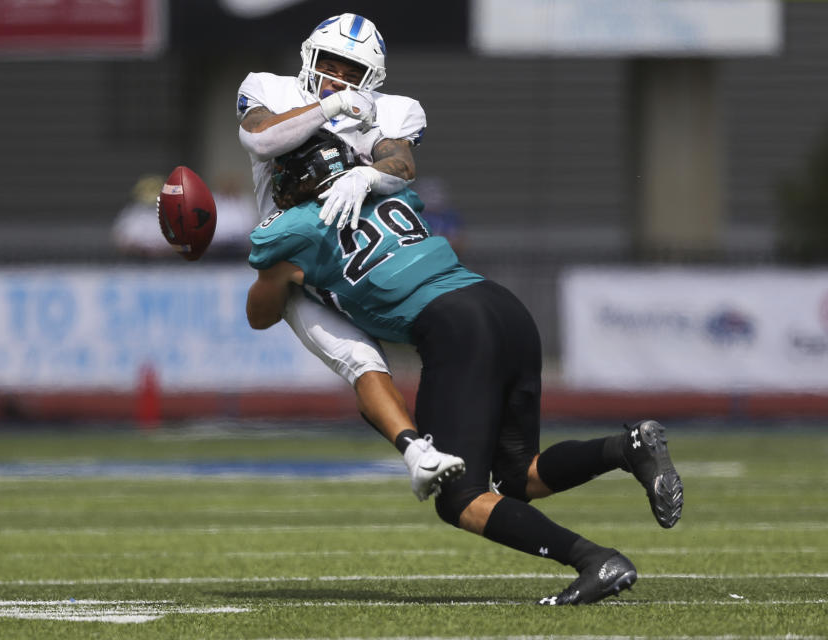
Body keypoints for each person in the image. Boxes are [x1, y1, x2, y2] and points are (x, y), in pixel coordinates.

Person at [245, 133, 685, 605]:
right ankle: (630, 445)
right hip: (502, 307)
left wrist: (280, 274)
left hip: (454, 328)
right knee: (520, 476)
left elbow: (261, 313)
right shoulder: (390, 192)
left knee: (459, 498)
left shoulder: (294, 232)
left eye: (286, 176)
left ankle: (594, 559)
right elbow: (397, 163)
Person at [236, 13, 464, 500]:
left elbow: (399, 161)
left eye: (351, 71)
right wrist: (333, 106)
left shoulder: (395, 109)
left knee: (432, 335)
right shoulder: (269, 89)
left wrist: (366, 176)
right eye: (331, 64)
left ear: (373, 79)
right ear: (309, 57)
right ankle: (417, 453)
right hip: (293, 255)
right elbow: (259, 138)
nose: (337, 77)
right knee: (358, 359)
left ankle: (460, 442)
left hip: (359, 259)